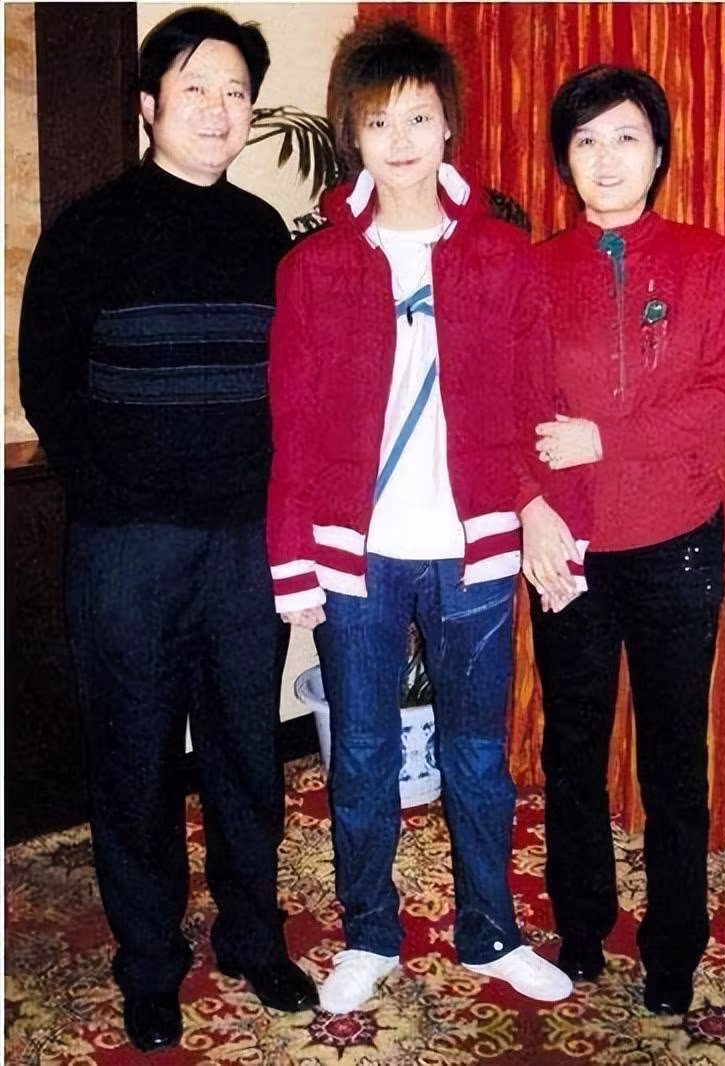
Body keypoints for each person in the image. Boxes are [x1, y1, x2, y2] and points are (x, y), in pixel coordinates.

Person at [18, 7, 317, 1053]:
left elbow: (293, 387)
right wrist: (116, 494)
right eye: (196, 88)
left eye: (236, 92)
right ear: (149, 105)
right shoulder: (90, 229)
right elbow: (49, 383)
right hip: (129, 548)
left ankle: (251, 937)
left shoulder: (262, 232)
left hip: (241, 547)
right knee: (134, 758)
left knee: (247, 755)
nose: (218, 109)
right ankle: (148, 962)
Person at [267, 19, 575, 1016]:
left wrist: (546, 514)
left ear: (449, 128)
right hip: (355, 554)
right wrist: (293, 563)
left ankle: (491, 932)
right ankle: (368, 933)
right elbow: (293, 423)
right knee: (359, 751)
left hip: (471, 549)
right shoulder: (314, 268)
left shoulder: (502, 256)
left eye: (418, 117)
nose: (399, 138)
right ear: (351, 133)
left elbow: (535, 401)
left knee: (478, 754)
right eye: (378, 120)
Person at [520, 65, 725, 1015]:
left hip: (678, 543)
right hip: (567, 547)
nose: (606, 158)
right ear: (564, 159)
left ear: (659, 153)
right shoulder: (536, 268)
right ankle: (580, 928)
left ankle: (673, 948)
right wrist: (530, 505)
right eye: (586, 140)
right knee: (572, 749)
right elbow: (505, 406)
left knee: (673, 761)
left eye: (626, 137)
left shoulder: (707, 259)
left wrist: (606, 437)